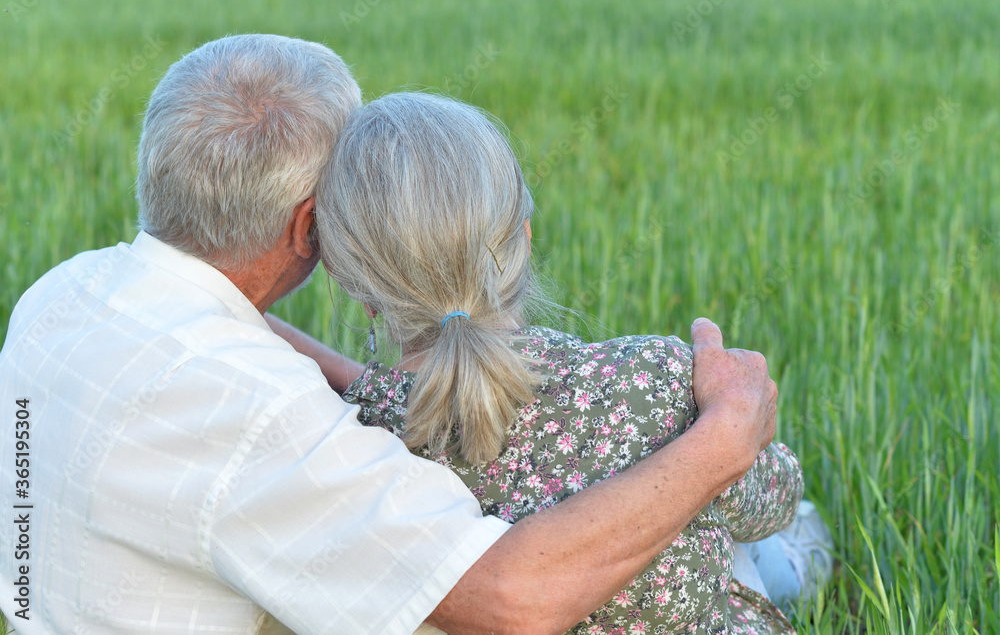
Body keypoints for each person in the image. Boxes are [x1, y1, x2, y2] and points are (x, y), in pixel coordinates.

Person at [0, 34, 779, 634]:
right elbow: (515, 599)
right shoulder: (263, 415)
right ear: (314, 229)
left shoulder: (65, 292)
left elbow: (231, 359)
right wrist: (725, 439)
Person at [316, 92, 812, 633]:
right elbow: (771, 502)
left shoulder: (350, 448)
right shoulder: (655, 377)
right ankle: (802, 561)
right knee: (756, 540)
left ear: (355, 287)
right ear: (524, 236)